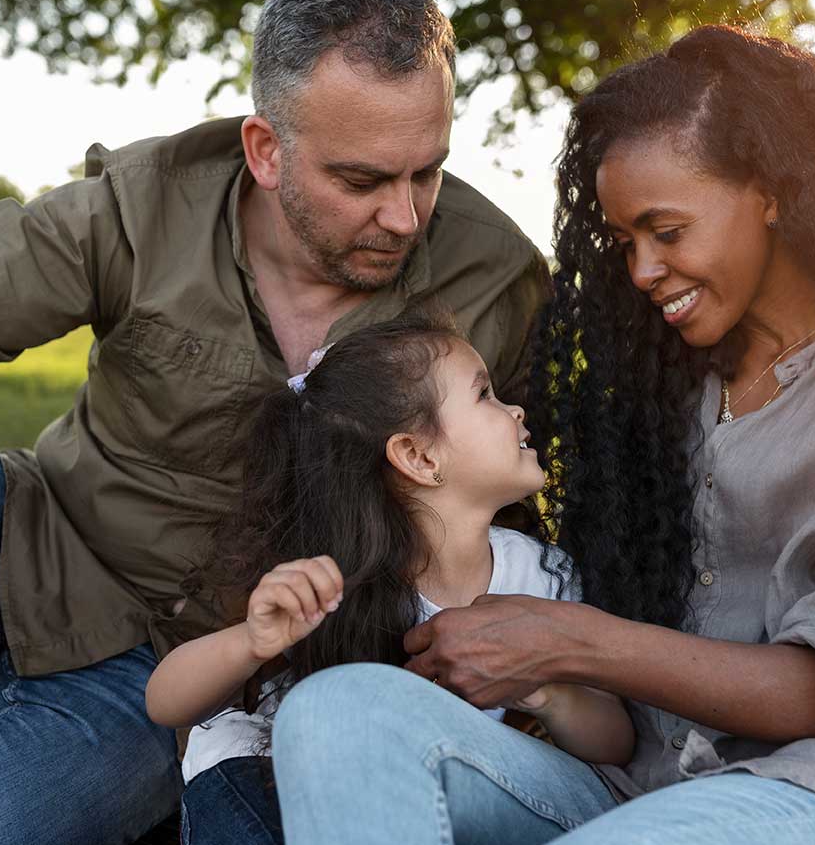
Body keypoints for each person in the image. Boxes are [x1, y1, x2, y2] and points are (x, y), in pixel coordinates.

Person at [0, 0, 548, 845]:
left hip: (190, 681)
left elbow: (545, 494)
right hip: (27, 548)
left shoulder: (495, 280)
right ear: (265, 151)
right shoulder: (144, 210)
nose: (406, 217)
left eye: (429, 172)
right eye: (363, 181)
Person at [267, 25, 815, 845]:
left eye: (667, 231)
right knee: (337, 712)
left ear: (771, 195)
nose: (642, 270)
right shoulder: (660, 390)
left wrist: (568, 640)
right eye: (623, 240)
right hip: (635, 787)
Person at [145, 312, 633, 844]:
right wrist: (251, 641)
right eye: (485, 395)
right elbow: (165, 703)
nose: (515, 409)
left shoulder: (538, 576)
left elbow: (615, 742)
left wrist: (547, 689)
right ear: (418, 456)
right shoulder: (335, 578)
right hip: (264, 785)